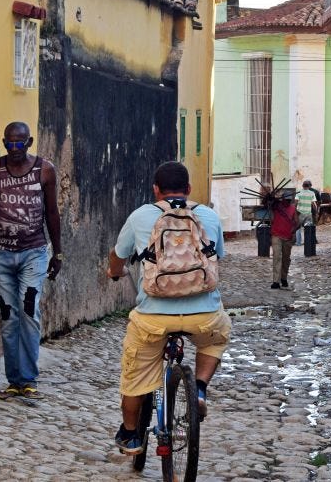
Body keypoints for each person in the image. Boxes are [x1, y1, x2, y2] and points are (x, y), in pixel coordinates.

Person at [107, 161, 231, 455]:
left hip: (153, 318)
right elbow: (218, 257)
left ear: (156, 190)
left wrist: (115, 272)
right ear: (188, 189)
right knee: (217, 338)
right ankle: (199, 388)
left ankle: (130, 435)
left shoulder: (140, 216)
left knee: (135, 376)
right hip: (204, 315)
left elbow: (118, 256)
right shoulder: (208, 216)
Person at [0, 122, 62, 402]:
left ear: (29, 142)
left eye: (19, 143)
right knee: (8, 317)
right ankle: (14, 381)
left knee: (29, 312)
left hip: (33, 253)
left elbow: (52, 212)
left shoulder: (44, 170)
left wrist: (58, 253)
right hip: (2, 255)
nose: (15, 148)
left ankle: (29, 379)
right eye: (10, 143)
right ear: (4, 143)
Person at [267, 187, 300, 289]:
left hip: (288, 237)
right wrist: (270, 198)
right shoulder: (276, 206)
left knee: (286, 258)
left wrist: (293, 230)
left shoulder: (293, 209)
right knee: (277, 257)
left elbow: (297, 223)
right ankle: (276, 281)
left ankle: (284, 278)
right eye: (286, 200)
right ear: (283, 199)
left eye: (289, 200)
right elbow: (268, 203)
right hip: (276, 235)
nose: (288, 202)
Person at [294, 180, 319, 245]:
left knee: (298, 228)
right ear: (309, 186)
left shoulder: (298, 193)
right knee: (308, 228)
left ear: (302, 186)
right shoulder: (312, 193)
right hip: (308, 214)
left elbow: (295, 203)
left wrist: (294, 212)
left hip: (300, 213)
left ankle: (298, 242)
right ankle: (307, 242)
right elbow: (314, 205)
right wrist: (316, 213)